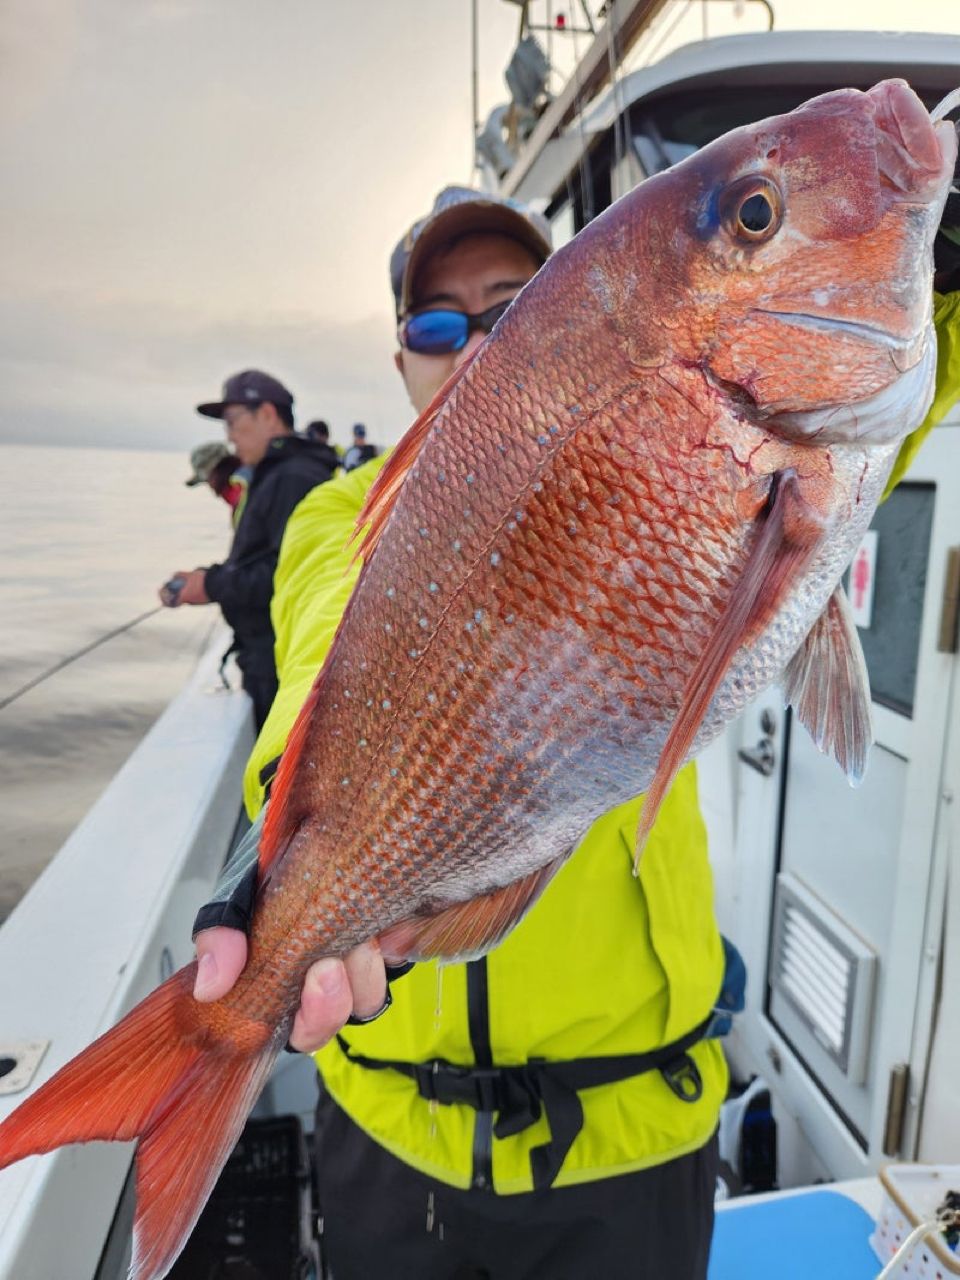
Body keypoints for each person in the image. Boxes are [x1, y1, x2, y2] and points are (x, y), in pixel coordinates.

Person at [194, 189, 727, 1279]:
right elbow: (319, 662)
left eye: (513, 303)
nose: (476, 339)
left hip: (633, 1124)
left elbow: (869, 383)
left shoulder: (665, 456)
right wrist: (279, 857)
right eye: (436, 323)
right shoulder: (341, 511)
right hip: (393, 1131)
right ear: (402, 361)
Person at [160, 369, 335, 729]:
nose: (228, 435)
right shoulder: (274, 474)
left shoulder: (293, 478)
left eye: (232, 421)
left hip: (279, 666)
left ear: (267, 415)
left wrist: (210, 586)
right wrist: (208, 577)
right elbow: (262, 559)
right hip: (268, 660)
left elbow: (285, 576)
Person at [185, 442, 251, 527]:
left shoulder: (241, 491)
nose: (211, 487)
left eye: (208, 480)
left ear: (218, 471)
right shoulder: (250, 477)